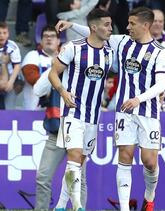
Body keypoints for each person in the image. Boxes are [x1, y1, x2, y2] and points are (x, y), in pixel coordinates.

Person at [55, 6, 165, 211]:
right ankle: (124, 208)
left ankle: (149, 197)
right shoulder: (123, 42)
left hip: (149, 111)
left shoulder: (160, 51)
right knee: (125, 156)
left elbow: (161, 84)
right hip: (124, 111)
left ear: (145, 25)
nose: (127, 27)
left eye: (132, 24)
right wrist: (72, 25)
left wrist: (139, 98)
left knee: (150, 163)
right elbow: (95, 31)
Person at [49, 9, 113, 211]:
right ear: (94, 27)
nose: (111, 29)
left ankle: (60, 206)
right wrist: (63, 92)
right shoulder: (73, 48)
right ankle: (77, 206)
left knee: (77, 164)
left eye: (111, 24)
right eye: (107, 24)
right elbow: (53, 73)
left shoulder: (109, 51)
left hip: (93, 117)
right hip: (72, 112)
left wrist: (72, 25)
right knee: (74, 158)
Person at [34, 67, 87, 211]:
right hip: (56, 134)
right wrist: (54, 68)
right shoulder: (55, 74)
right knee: (43, 177)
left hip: (77, 132)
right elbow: (37, 91)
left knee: (79, 180)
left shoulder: (85, 70)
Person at [22, 25, 60, 110]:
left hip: (59, 112)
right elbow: (35, 82)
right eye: (45, 36)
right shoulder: (32, 55)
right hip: (34, 111)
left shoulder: (67, 59)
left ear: (58, 41)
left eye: (52, 36)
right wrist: (55, 67)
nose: (49, 39)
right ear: (41, 41)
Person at [0, 21, 22, 110]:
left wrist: (11, 81)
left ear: (8, 34)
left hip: (11, 77)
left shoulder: (12, 46)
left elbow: (17, 66)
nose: (2, 35)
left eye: (4, 33)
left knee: (9, 107)